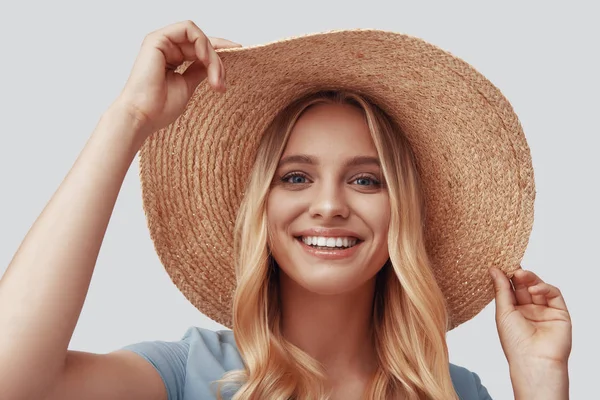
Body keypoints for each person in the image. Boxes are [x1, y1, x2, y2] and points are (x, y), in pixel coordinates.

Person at [0, 20, 572, 400]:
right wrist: (128, 121)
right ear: (260, 211)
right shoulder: (188, 374)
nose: (328, 205)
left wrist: (542, 382)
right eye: (296, 177)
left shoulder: (456, 391)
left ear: (405, 212)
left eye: (366, 180)